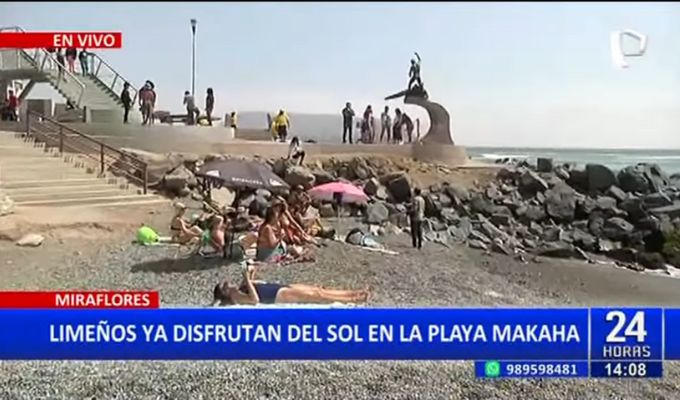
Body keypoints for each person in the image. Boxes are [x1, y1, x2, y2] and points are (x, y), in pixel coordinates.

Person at [213, 264, 370, 305]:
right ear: (226, 293)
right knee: (318, 296)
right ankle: (354, 299)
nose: (229, 284)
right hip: (277, 295)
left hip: (277, 287)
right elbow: (255, 300)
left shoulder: (239, 288)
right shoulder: (236, 297)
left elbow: (252, 283)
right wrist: (247, 279)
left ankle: (354, 292)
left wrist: (251, 272)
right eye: (226, 286)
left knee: (318, 289)